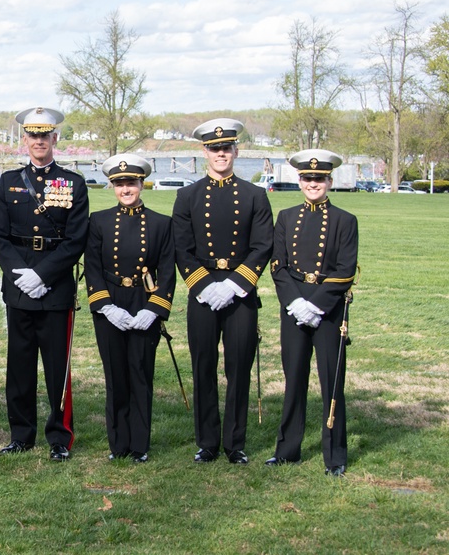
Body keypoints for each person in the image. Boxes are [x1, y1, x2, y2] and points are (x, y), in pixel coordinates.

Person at [0, 107, 88, 462]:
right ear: (24, 140)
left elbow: (76, 240)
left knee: (57, 368)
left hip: (55, 286)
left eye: (45, 136)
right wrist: (21, 275)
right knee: (19, 364)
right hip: (19, 286)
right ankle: (21, 434)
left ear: (55, 139)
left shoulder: (73, 183)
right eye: (32, 136)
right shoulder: (8, 181)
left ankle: (60, 436)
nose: (38, 142)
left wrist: (43, 275)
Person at [172, 118, 273, 465]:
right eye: (214, 149)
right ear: (205, 152)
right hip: (202, 293)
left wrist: (234, 284)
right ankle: (207, 442)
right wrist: (203, 286)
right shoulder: (188, 196)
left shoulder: (254, 195)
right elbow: (181, 248)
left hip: (240, 294)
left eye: (226, 148)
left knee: (238, 368)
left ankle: (236, 443)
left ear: (235, 151)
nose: (221, 154)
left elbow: (262, 246)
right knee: (203, 367)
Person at [266, 149, 358, 477]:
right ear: (299, 180)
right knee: (294, 379)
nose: (313, 183)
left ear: (330, 181)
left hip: (328, 308)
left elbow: (346, 269)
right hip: (295, 306)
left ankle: (335, 455)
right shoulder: (287, 218)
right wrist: (296, 303)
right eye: (307, 178)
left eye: (319, 178)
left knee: (332, 381)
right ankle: (287, 450)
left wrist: (317, 304)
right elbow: (278, 266)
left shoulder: (345, 221)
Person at [84, 154, 175, 463]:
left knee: (140, 373)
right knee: (115, 375)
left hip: (143, 303)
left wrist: (154, 309)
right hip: (110, 304)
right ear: (113, 186)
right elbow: (92, 268)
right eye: (120, 184)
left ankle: (140, 445)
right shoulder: (99, 221)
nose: (126, 189)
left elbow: (167, 270)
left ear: (142, 184)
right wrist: (105, 306)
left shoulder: (162, 224)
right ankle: (118, 444)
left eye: (132, 183)